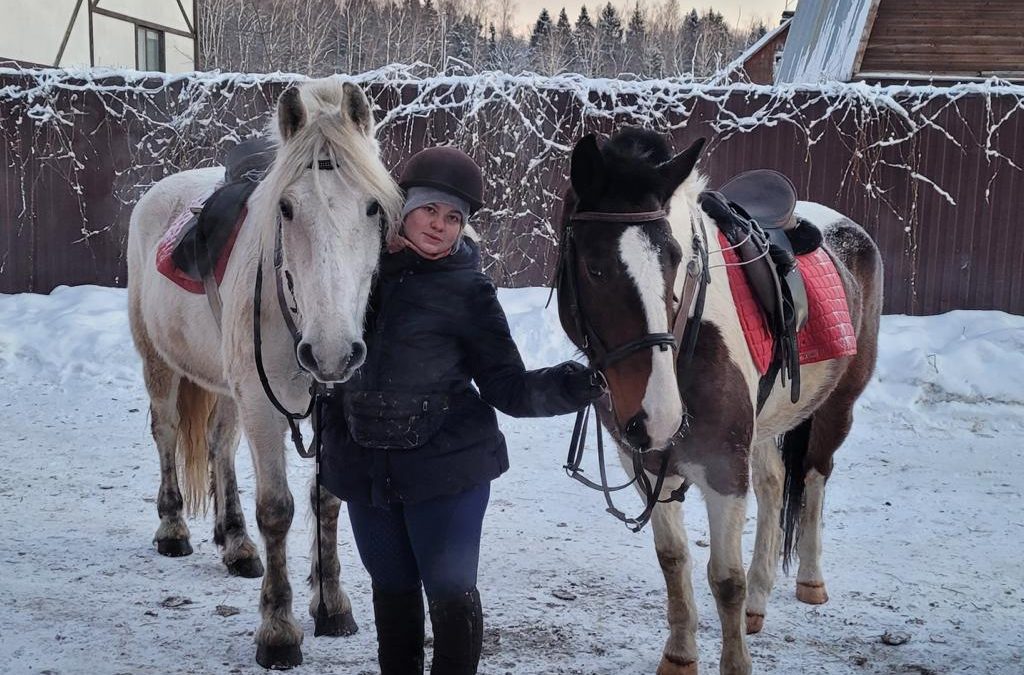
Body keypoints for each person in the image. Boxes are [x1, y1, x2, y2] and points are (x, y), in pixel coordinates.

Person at [320, 146, 604, 675]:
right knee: (392, 592)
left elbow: (509, 388)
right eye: (430, 210)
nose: (440, 226)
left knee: (450, 592)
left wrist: (577, 384)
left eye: (454, 218)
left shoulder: (468, 290)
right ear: (402, 208)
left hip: (446, 473)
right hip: (366, 471)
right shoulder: (355, 278)